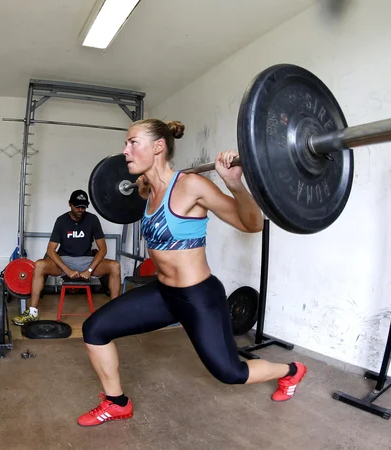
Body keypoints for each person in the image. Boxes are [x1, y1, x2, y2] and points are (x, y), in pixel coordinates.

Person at [76, 119, 307, 427]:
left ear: (158, 147)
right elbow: (140, 188)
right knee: (95, 330)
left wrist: (235, 184)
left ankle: (291, 371)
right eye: (126, 143)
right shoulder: (147, 190)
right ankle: (117, 403)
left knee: (231, 373)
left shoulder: (191, 186)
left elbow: (252, 225)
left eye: (133, 143)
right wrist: (145, 180)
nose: (125, 151)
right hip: (164, 293)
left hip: (198, 296)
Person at [12, 190, 122, 326]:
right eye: (77, 207)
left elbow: (103, 249)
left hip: (87, 261)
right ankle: (33, 312)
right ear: (70, 204)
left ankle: (114, 312)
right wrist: (67, 270)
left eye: (83, 207)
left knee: (115, 266)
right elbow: (50, 251)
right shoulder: (61, 221)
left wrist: (89, 270)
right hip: (64, 261)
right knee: (40, 265)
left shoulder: (92, 219)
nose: (80, 210)